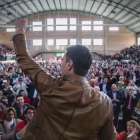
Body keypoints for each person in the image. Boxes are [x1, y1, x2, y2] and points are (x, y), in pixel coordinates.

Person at [12, 18, 115, 140]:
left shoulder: (51, 86)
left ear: (69, 64)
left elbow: (24, 59)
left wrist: (20, 30)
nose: (61, 65)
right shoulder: (104, 101)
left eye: (63, 61)